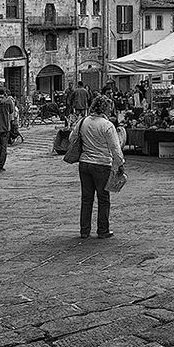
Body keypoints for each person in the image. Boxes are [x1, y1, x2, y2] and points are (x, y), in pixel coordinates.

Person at [68, 95, 124, 239]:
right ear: (106, 108)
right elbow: (115, 148)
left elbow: (71, 138)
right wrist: (120, 164)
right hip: (102, 164)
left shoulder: (83, 121)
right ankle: (103, 230)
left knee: (86, 198)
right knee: (103, 198)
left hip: (84, 163)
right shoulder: (107, 125)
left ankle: (84, 230)